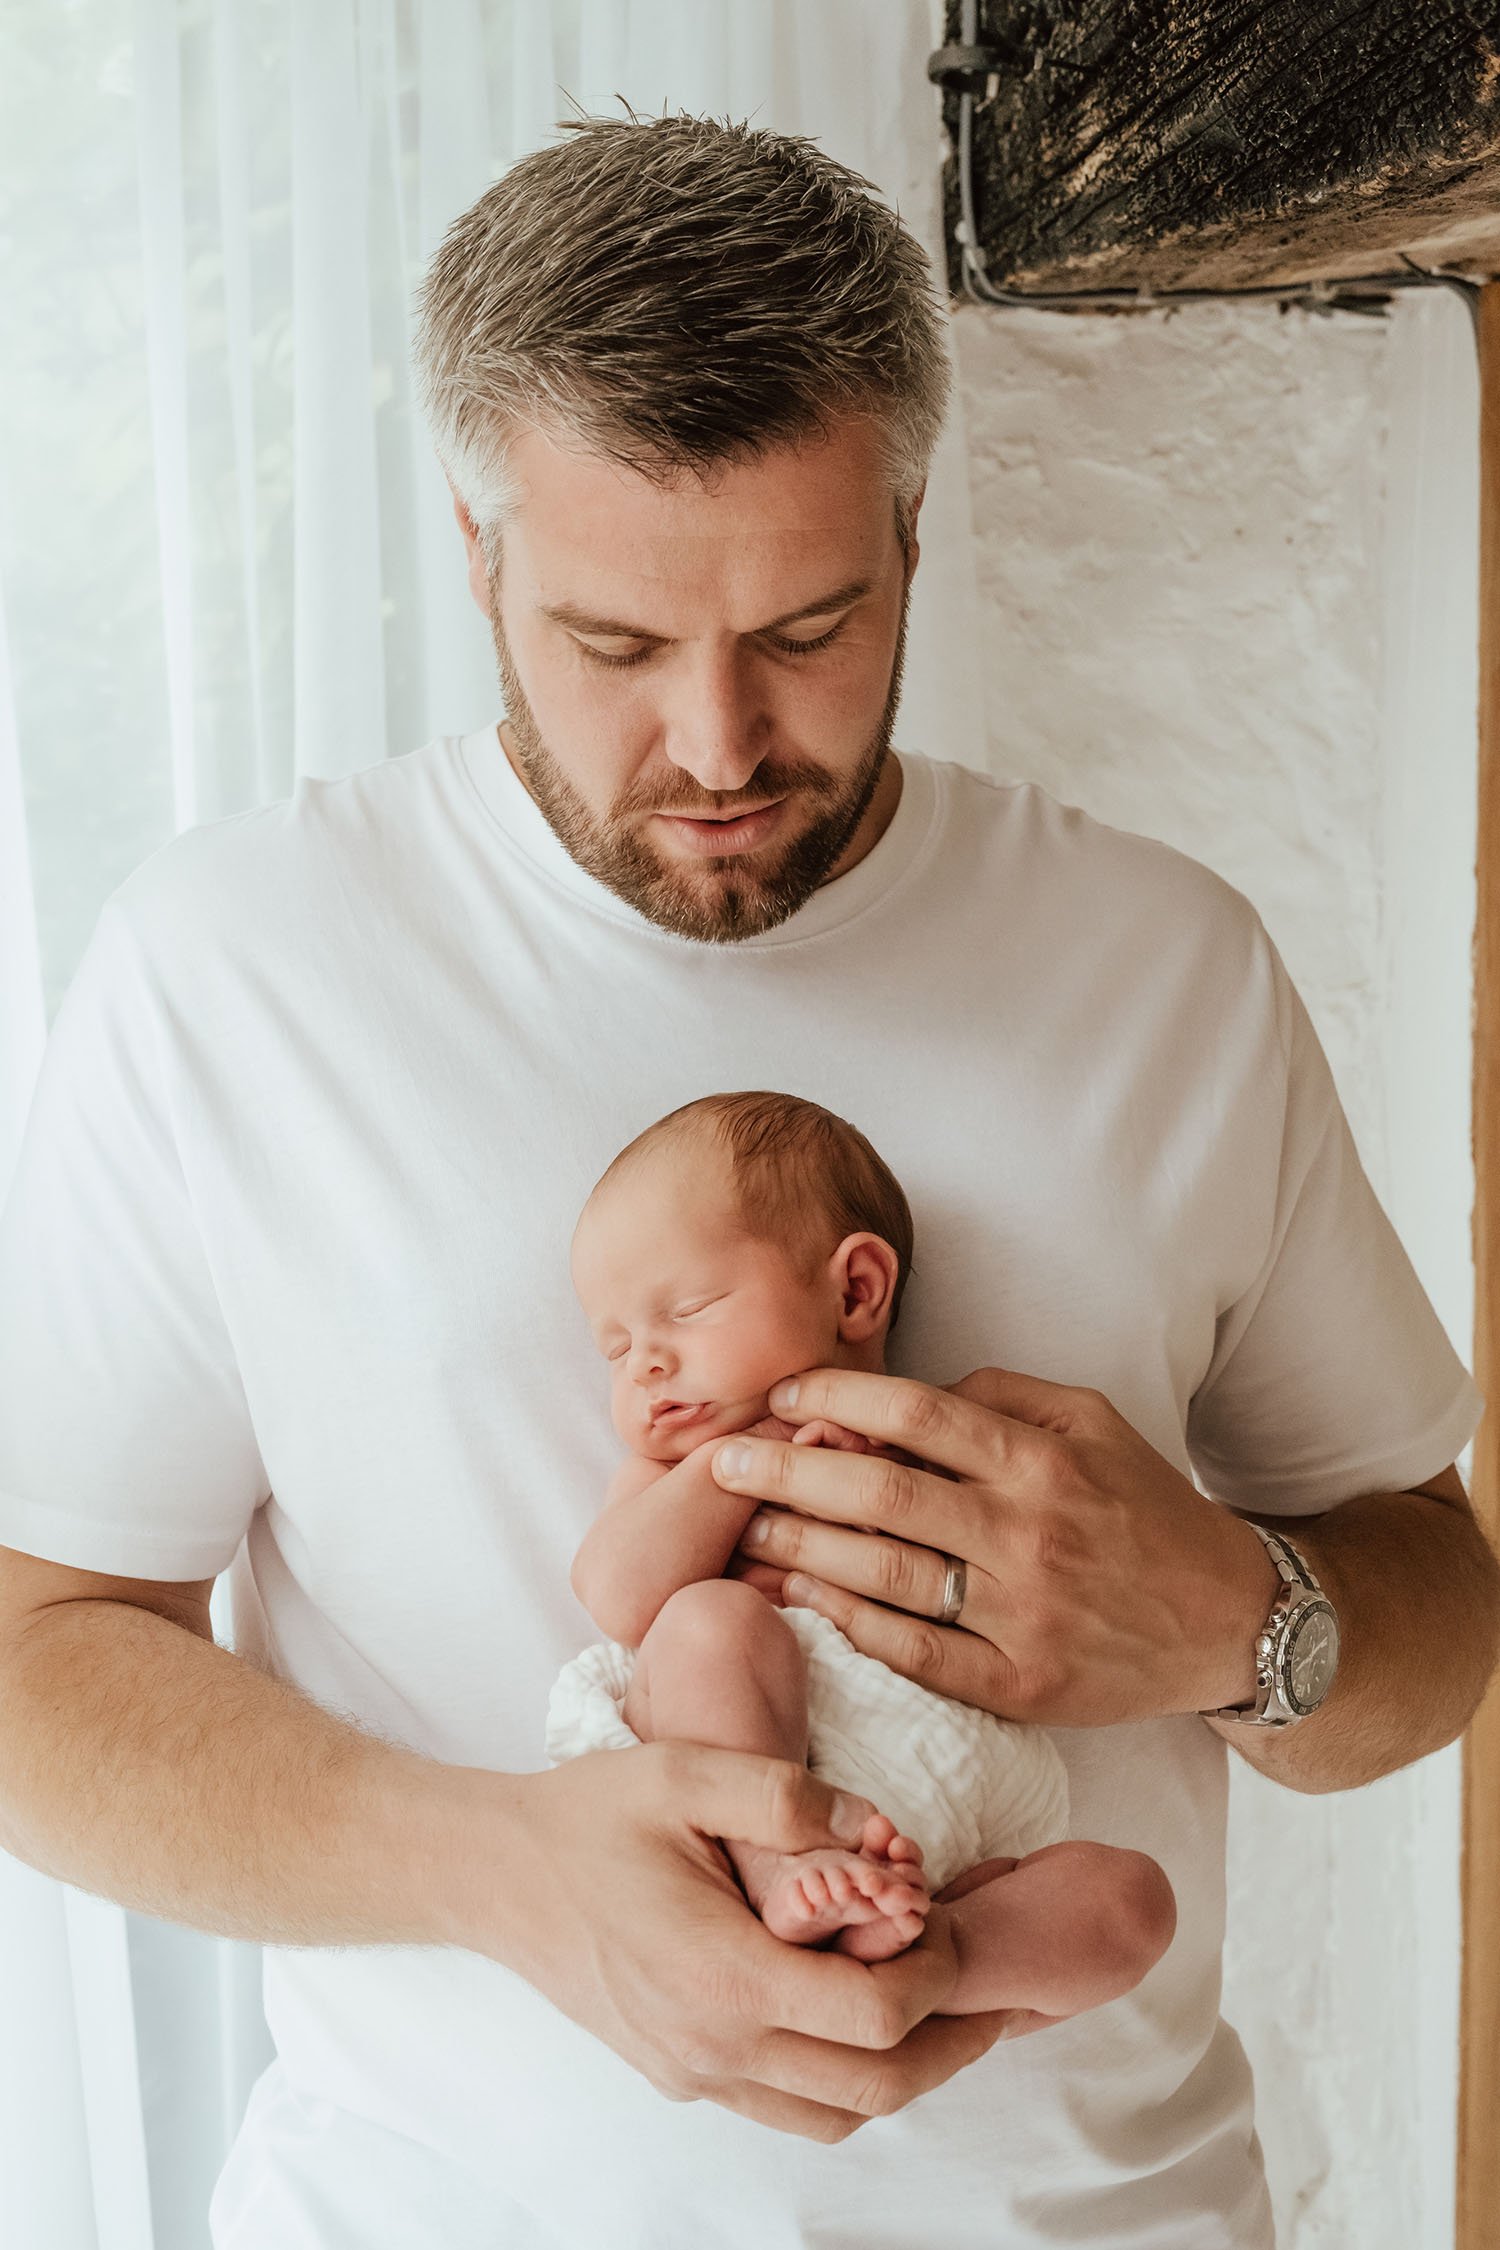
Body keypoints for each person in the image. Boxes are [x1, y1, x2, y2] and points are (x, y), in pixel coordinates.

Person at [0, 109, 1494, 2250]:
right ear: (477, 550)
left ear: (913, 526)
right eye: (616, 647)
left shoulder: (1168, 968)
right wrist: (505, 1874)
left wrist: (1245, 1627)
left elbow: (1433, 1620)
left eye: (809, 628)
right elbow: (38, 1656)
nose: (716, 744)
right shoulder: (232, 969)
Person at [551, 1087, 1177, 2009]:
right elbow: (617, 1594)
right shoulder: (677, 1473)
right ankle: (779, 1864)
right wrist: (743, 1465)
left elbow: (1035, 1580)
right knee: (708, 1620)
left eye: (687, 1310)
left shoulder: (941, 1437)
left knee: (1135, 1902)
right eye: (615, 1348)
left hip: (941, 1811)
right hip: (751, 1776)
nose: (644, 1363)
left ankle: (943, 1954)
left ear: (855, 1290)